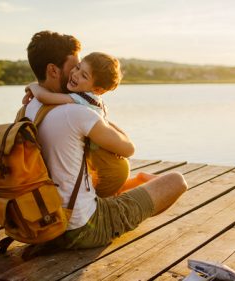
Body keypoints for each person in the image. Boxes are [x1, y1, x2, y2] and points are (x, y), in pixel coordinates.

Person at [22, 30, 187, 250]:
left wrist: (34, 87)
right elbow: (128, 148)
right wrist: (98, 114)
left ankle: (132, 191)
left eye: (81, 71)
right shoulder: (77, 113)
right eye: (74, 67)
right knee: (176, 181)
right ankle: (128, 206)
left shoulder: (28, 108)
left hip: (43, 224)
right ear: (53, 70)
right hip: (80, 227)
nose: (75, 74)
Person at [25, 51, 157, 198]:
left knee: (107, 193)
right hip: (109, 163)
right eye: (77, 68)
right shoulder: (95, 99)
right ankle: (141, 179)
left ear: (98, 89)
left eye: (84, 76)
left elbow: (45, 97)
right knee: (114, 191)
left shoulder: (80, 99)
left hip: (105, 167)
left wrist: (33, 86)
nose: (75, 74)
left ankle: (144, 181)